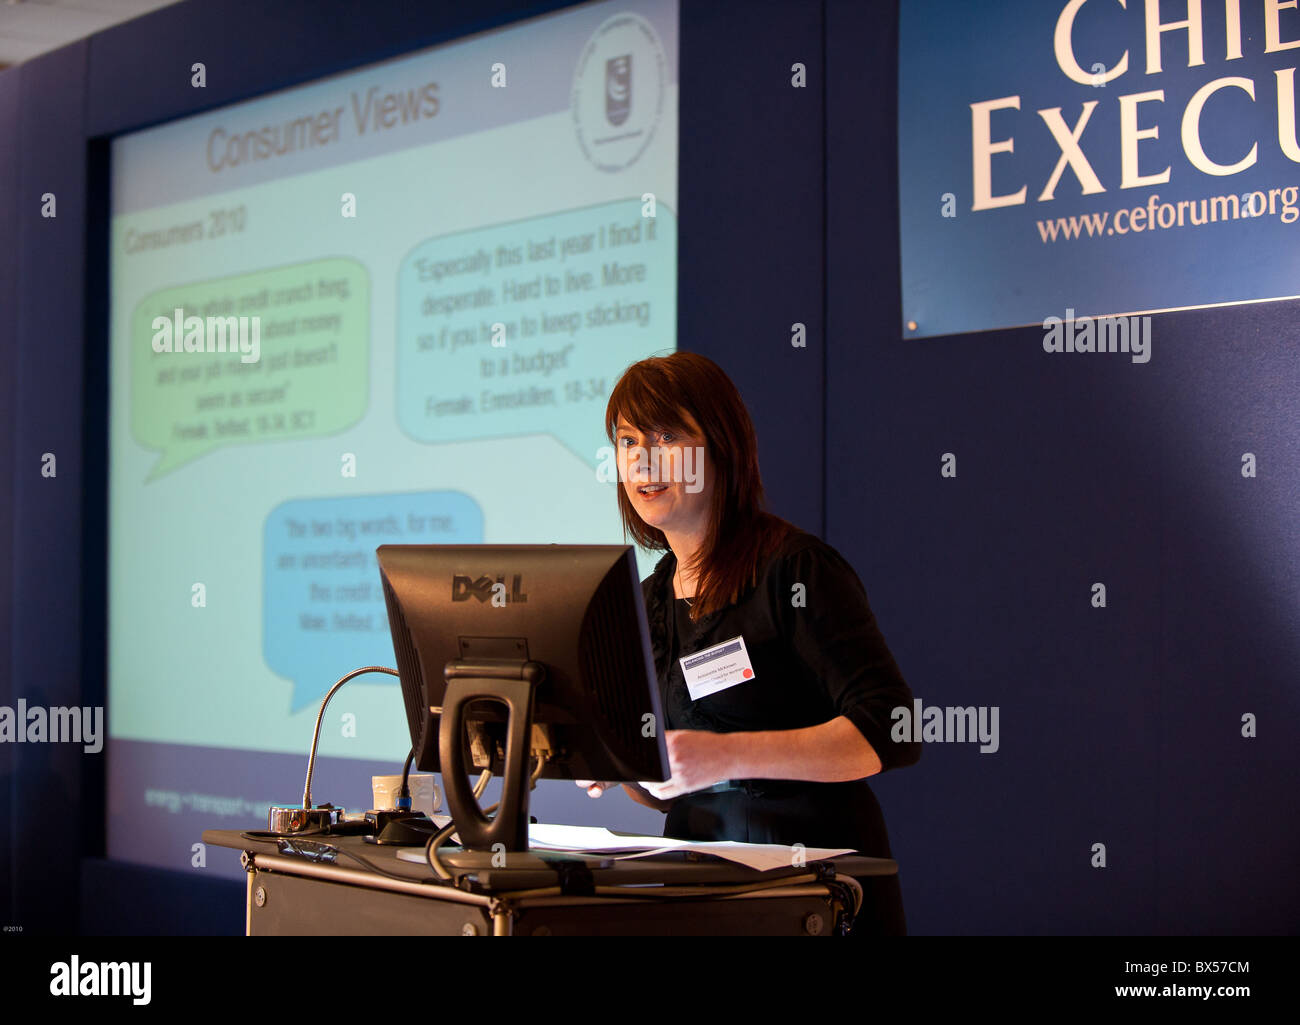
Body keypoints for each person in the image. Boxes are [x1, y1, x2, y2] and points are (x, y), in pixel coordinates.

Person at [576, 351, 921, 935]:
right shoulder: (644, 602)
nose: (642, 460)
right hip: (698, 887)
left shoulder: (794, 570)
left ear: (720, 446)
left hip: (814, 890)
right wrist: (625, 766)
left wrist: (727, 755)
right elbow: (666, 795)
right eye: (629, 441)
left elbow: (894, 730)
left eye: (666, 435)